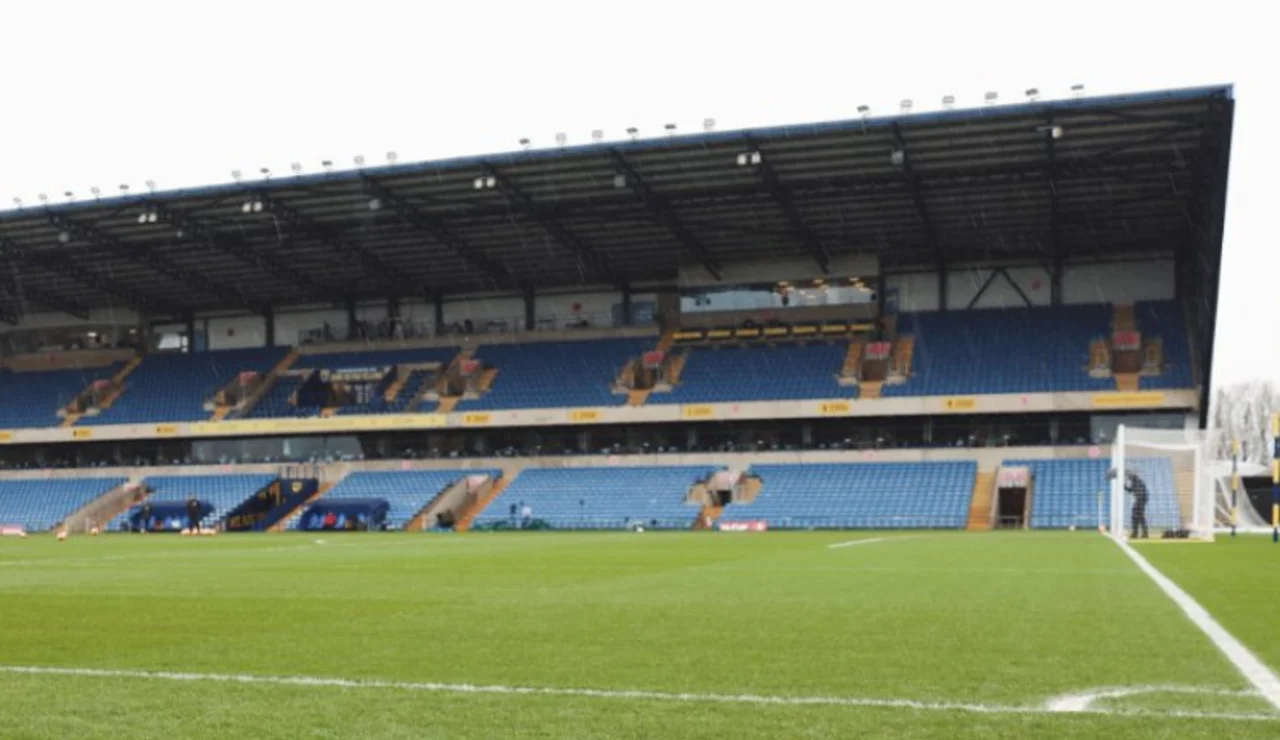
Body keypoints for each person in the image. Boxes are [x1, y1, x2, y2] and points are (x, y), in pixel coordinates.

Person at [1126, 470, 1150, 539]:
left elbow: (1142, 493)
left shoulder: (1139, 483)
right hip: (1139, 501)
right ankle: (1138, 533)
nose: (1129, 479)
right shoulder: (1135, 482)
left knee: (1139, 517)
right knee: (1137, 517)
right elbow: (1131, 490)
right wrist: (1125, 487)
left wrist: (1140, 502)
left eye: (1130, 477)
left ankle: (1139, 533)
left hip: (1140, 501)